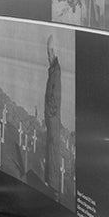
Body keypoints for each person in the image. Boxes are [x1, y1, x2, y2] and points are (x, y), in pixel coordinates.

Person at [44, 34, 63, 194]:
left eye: (49, 52)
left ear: (53, 52)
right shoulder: (53, 70)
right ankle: (50, 183)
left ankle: (54, 187)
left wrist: (50, 115)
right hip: (51, 119)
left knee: (53, 151)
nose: (47, 56)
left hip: (53, 120)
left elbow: (55, 99)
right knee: (50, 151)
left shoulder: (56, 72)